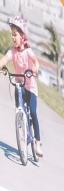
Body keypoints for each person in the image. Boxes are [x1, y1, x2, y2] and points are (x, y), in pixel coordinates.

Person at [2, 17, 42, 159]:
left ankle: (37, 142)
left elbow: (36, 63)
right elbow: (4, 60)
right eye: (12, 34)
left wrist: (35, 70)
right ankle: (22, 129)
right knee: (19, 110)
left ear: (22, 36)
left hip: (30, 87)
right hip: (19, 85)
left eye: (15, 34)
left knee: (33, 111)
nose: (13, 37)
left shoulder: (28, 52)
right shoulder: (12, 52)